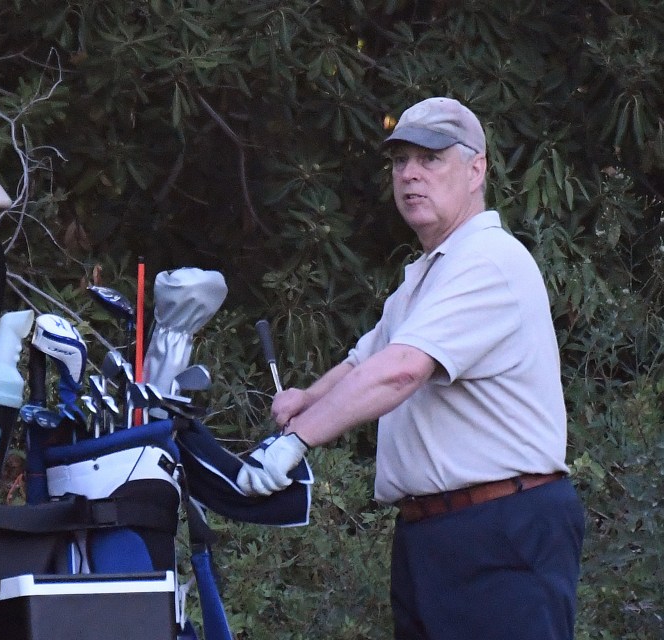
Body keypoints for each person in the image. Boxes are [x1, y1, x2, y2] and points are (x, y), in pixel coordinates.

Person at [236, 97, 586, 640]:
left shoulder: (488, 261)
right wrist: (307, 398)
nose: (410, 175)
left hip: (501, 531)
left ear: (477, 170)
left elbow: (401, 370)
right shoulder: (427, 274)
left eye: (430, 159)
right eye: (401, 161)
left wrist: (295, 441)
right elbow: (367, 359)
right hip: (434, 535)